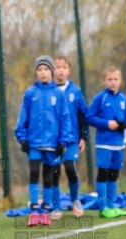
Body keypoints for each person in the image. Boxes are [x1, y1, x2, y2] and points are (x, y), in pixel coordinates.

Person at [15, 55, 71, 226]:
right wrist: (22, 138)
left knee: (48, 177)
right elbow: (22, 116)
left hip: (53, 144)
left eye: (46, 69)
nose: (43, 73)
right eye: (40, 69)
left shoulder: (58, 94)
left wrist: (63, 141)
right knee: (33, 173)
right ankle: (33, 211)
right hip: (34, 143)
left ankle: (45, 212)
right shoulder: (30, 93)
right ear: (36, 72)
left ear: (52, 72)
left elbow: (65, 119)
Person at [86, 66, 126, 218]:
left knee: (114, 175)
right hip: (104, 143)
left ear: (120, 80)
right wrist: (107, 124)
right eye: (109, 79)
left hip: (119, 143)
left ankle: (112, 206)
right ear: (103, 80)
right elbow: (90, 117)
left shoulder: (123, 99)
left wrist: (125, 123)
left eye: (116, 79)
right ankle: (103, 208)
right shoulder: (100, 98)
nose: (113, 82)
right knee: (103, 174)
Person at [50, 56, 89, 219]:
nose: (60, 70)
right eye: (57, 67)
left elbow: (83, 116)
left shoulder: (75, 91)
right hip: (52, 141)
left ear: (69, 70)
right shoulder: (48, 91)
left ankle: (75, 200)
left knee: (70, 168)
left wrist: (83, 137)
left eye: (63, 67)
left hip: (72, 139)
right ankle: (56, 207)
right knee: (54, 173)